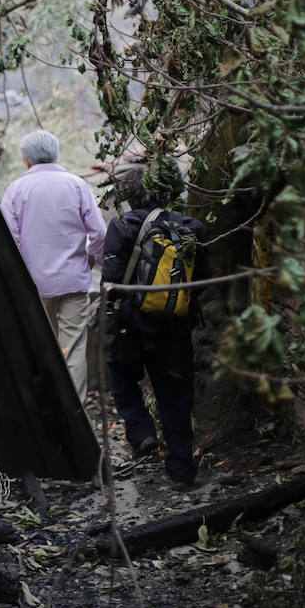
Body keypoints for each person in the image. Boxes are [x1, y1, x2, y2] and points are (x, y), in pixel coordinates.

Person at [100, 158, 210, 486]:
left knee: (119, 377)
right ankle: (181, 472)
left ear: (132, 194)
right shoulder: (192, 227)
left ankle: (141, 432)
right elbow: (201, 279)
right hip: (176, 329)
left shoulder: (124, 226)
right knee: (175, 396)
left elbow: (111, 280)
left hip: (133, 327)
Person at [0, 130, 107, 404]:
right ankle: (76, 414)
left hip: (32, 284)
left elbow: (7, 240)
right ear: (56, 154)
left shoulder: (16, 190)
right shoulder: (77, 185)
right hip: (73, 280)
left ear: (26, 161)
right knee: (73, 347)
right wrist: (93, 258)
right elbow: (100, 234)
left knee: (39, 346)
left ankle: (46, 408)